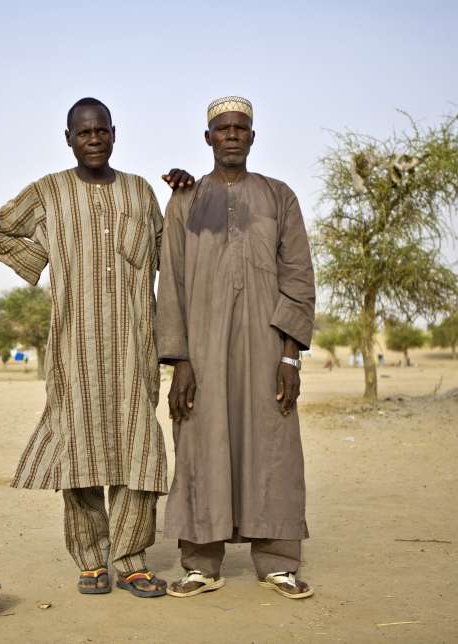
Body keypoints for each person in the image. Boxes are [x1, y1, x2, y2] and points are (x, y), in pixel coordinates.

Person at [0, 97, 193, 599]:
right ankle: (92, 560)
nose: (93, 139)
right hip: (72, 352)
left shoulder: (140, 192)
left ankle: (133, 559)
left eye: (101, 131)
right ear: (69, 139)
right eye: (83, 132)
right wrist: (43, 259)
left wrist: (188, 195)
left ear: (114, 134)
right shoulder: (48, 193)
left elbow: (171, 252)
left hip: (133, 351)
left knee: (136, 450)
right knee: (78, 453)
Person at [156, 96, 316, 600]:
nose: (231, 135)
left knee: (273, 444)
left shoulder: (279, 197)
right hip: (201, 353)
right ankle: (201, 563)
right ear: (208, 138)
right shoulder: (184, 200)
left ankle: (277, 562)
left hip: (267, 350)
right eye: (221, 129)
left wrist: (290, 356)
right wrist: (180, 360)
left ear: (252, 136)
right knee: (201, 444)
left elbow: (298, 277)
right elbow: (172, 283)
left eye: (239, 128)